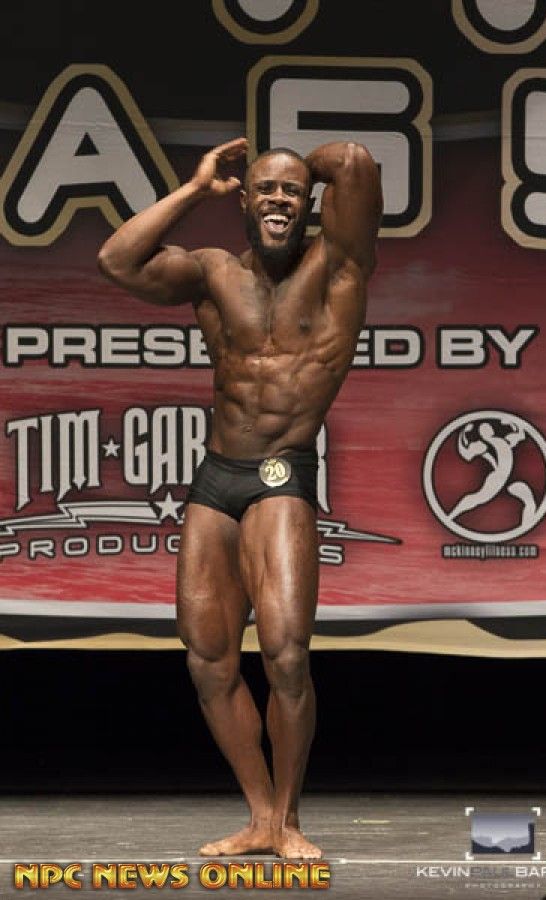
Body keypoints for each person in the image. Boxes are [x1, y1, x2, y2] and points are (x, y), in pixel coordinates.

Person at [97, 137, 382, 859]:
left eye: (293, 191)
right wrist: (197, 189)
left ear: (311, 204)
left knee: (285, 655)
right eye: (266, 190)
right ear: (245, 202)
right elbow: (117, 261)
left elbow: (352, 160)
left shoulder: (339, 266)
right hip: (216, 477)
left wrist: (292, 164)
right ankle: (259, 816)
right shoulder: (212, 272)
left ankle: (289, 819)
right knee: (208, 660)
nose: (280, 200)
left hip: (283, 473)